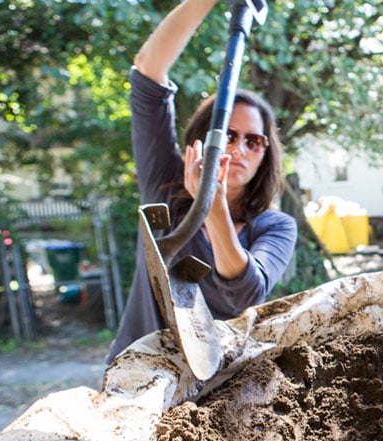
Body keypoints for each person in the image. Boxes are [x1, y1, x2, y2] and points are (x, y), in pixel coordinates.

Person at [106, 0, 297, 364]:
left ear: (265, 155)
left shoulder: (276, 227)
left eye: (253, 141)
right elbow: (148, 72)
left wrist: (213, 207)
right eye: (227, 134)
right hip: (137, 372)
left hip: (213, 391)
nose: (239, 149)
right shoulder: (164, 184)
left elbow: (244, 294)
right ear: (202, 139)